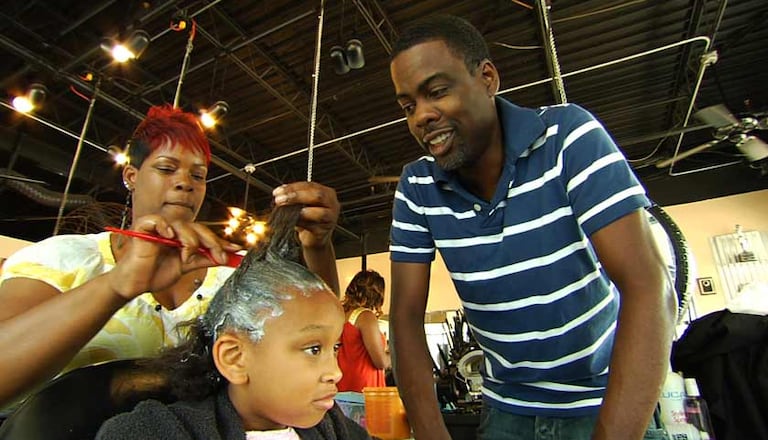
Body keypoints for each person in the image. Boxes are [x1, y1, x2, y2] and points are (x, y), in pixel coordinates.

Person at [387, 15, 676, 440]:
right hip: (506, 413)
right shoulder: (418, 187)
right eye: (408, 106)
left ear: (487, 78)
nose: (421, 117)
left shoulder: (567, 137)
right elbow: (405, 318)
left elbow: (649, 286)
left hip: (606, 403)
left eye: (437, 91)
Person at [0, 104, 341, 409]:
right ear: (131, 176)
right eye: (166, 169)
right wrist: (117, 285)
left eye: (198, 175)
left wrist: (317, 246)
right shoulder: (63, 258)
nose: (184, 183)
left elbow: (315, 327)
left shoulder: (232, 272)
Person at [95, 204, 371, 440]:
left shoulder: (336, 429)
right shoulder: (158, 432)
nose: (336, 373)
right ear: (235, 357)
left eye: (335, 347)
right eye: (313, 349)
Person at [337, 269, 390, 392]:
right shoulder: (366, 316)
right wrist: (393, 357)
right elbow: (381, 362)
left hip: (342, 384)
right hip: (365, 387)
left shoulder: (340, 314)